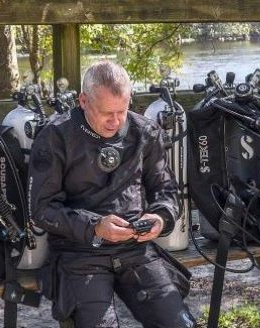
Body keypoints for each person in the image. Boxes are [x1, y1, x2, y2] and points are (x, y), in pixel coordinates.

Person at [28, 60, 196, 328]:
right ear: (83, 101)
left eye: (123, 111)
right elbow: (41, 209)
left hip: (135, 248)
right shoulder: (55, 137)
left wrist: (161, 218)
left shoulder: (144, 132)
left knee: (180, 324)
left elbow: (167, 190)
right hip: (80, 252)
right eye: (107, 113)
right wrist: (95, 227)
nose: (115, 121)